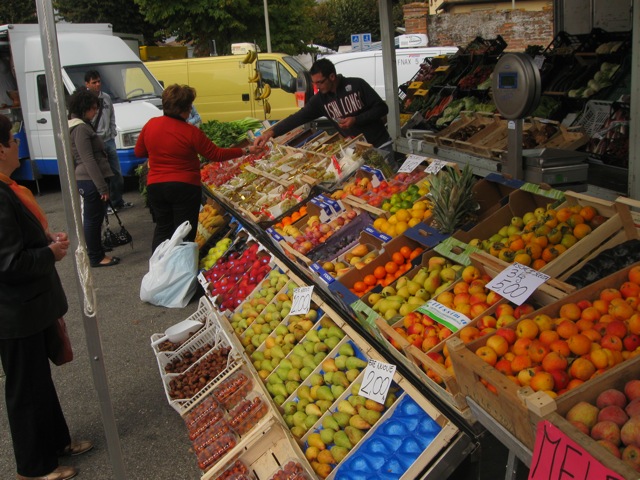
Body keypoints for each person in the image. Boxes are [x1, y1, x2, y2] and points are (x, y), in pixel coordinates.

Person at [0, 113, 93, 480]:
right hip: (13, 311)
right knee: (24, 387)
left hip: (28, 307)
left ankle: (56, 442)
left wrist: (46, 242)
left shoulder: (8, 188)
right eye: (12, 139)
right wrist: (49, 254)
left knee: (39, 379)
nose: (18, 143)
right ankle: (33, 468)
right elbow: (8, 262)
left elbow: (17, 244)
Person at [134, 84, 264, 252]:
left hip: (156, 186)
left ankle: (158, 269)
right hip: (184, 187)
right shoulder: (190, 132)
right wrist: (246, 150)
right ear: (186, 108)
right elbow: (215, 154)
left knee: (162, 228)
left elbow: (139, 151)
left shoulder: (151, 125)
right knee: (184, 233)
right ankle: (179, 271)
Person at [254, 58, 391, 149]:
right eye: (314, 83)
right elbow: (298, 117)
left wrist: (356, 119)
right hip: (358, 149)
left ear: (332, 77)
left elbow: (382, 108)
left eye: (320, 82)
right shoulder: (320, 100)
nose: (317, 87)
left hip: (381, 144)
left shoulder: (357, 85)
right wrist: (270, 133)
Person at [68, 88, 120, 268]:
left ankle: (97, 250)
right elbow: (88, 159)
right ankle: (96, 256)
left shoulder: (79, 125)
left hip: (89, 179)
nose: (95, 111)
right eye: (93, 108)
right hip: (90, 180)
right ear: (84, 108)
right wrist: (102, 187)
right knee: (93, 219)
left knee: (94, 218)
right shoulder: (81, 128)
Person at [84, 70, 133, 214]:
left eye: (99, 81)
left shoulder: (106, 97)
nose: (98, 84)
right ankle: (106, 206)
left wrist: (112, 131)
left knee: (116, 172)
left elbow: (111, 115)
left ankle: (118, 201)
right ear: (87, 84)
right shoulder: (85, 100)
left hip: (109, 140)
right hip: (95, 141)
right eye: (94, 82)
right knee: (101, 175)